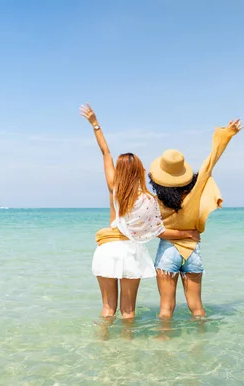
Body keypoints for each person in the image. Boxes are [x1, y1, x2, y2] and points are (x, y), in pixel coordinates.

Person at [80, 103, 201, 323]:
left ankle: (103, 345)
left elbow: (105, 153)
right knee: (128, 312)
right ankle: (127, 348)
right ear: (140, 170)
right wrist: (188, 234)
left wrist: (95, 124)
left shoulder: (113, 188)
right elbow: (159, 232)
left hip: (107, 249)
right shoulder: (147, 199)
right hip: (128, 252)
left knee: (108, 309)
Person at [148, 119, 244, 320]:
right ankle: (200, 348)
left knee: (166, 309)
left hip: (168, 251)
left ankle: (162, 348)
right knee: (198, 309)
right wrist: (227, 134)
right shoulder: (195, 191)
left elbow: (155, 231)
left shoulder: (154, 201)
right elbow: (210, 162)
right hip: (192, 251)